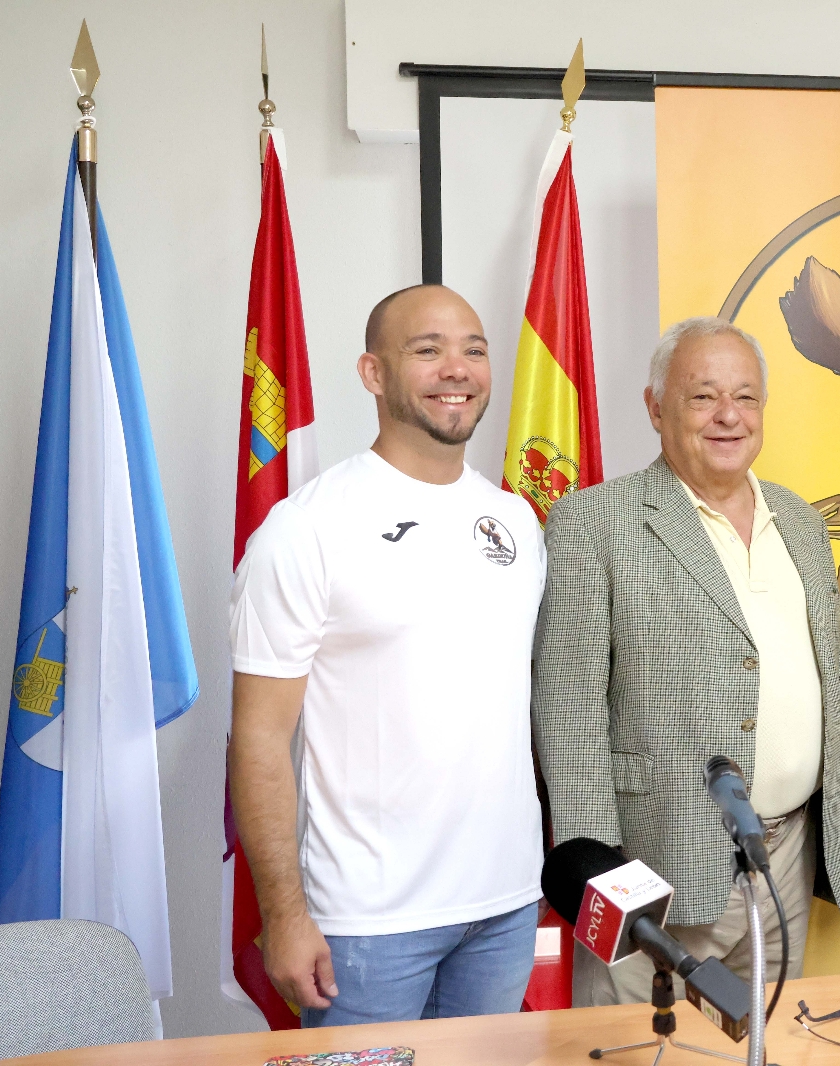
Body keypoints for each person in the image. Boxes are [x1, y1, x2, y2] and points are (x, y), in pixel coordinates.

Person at [533, 316, 840, 1005]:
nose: (729, 416)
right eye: (703, 397)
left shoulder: (801, 521)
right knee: (639, 1052)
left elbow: (831, 678)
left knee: (763, 1041)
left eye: (746, 397)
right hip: (655, 864)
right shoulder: (592, 523)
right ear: (656, 407)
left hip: (787, 851)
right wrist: (599, 874)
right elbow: (567, 712)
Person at [228, 284, 546, 1024]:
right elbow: (259, 738)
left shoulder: (515, 521)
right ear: (373, 374)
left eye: (473, 348)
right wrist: (285, 914)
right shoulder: (306, 530)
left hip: (503, 907)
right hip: (366, 925)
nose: (456, 368)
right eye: (426, 350)